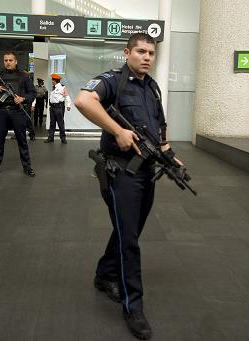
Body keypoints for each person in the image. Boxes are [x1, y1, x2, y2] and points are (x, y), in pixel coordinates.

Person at [74, 33, 185, 340]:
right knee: (130, 241)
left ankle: (104, 274)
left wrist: (170, 156)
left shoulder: (152, 88)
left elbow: (159, 131)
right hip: (120, 171)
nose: (147, 57)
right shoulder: (113, 80)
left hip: (145, 170)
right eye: (140, 51)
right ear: (127, 52)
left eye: (151, 52)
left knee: (130, 229)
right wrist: (117, 130)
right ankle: (132, 306)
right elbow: (83, 100)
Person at [0, 51, 36, 177]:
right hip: (1, 112)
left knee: (22, 141)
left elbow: (32, 93)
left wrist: (23, 99)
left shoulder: (24, 76)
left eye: (10, 60)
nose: (8, 62)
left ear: (16, 61)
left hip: (17, 111)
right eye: (5, 60)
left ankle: (27, 167)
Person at [44, 74, 71, 144]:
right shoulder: (54, 88)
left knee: (60, 123)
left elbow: (67, 96)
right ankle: (51, 138)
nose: (51, 81)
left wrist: (68, 105)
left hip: (59, 107)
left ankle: (63, 138)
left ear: (54, 80)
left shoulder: (62, 87)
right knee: (52, 123)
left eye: (52, 80)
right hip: (52, 107)